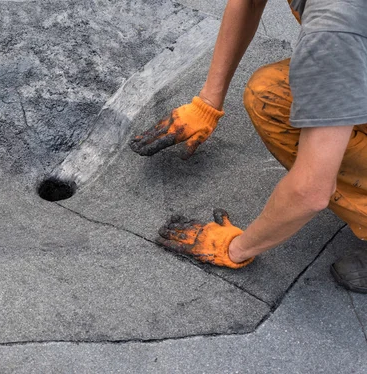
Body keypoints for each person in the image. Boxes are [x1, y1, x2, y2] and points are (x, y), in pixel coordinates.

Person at [129, 0, 367, 293]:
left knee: (294, 123)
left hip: (344, 35)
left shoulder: (335, 28)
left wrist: (236, 248)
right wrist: (207, 103)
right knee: (270, 94)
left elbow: (311, 191)